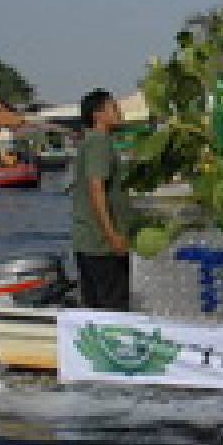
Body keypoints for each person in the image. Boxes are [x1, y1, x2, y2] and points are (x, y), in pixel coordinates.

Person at [72, 89, 132, 310]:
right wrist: (112, 236)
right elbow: (96, 188)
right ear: (98, 114)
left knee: (96, 307)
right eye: (113, 107)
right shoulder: (99, 142)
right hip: (101, 246)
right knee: (114, 307)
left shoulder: (91, 142)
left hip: (89, 242)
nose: (119, 112)